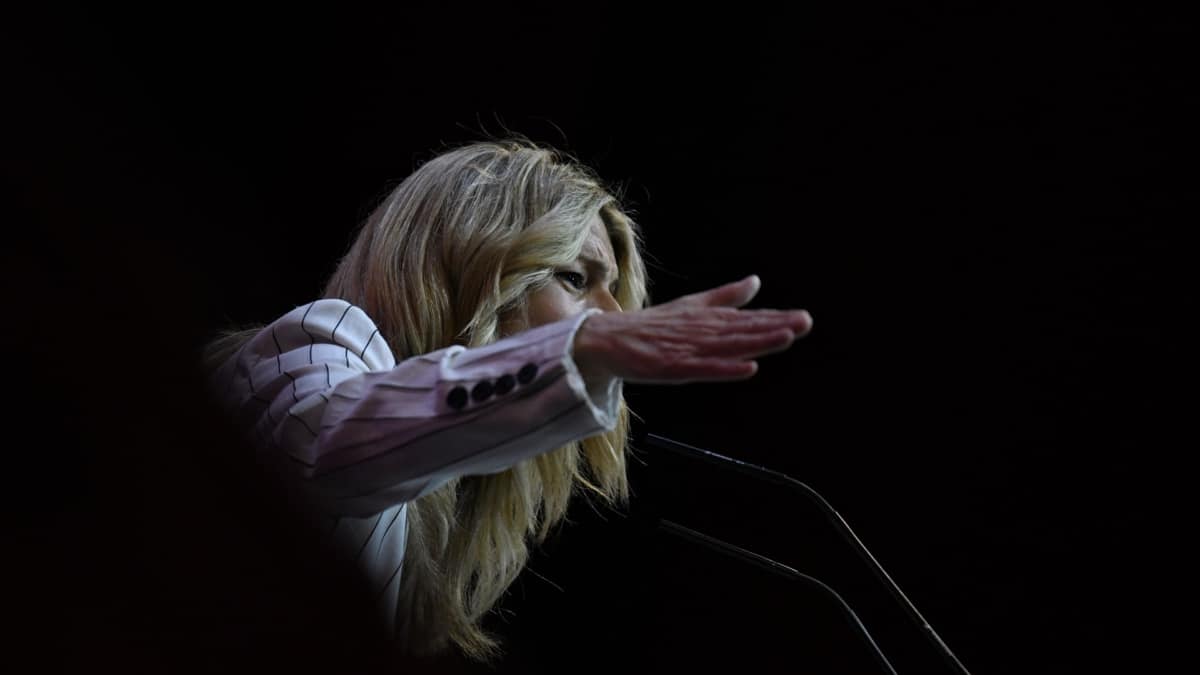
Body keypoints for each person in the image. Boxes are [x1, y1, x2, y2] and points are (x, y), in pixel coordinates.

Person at [202, 138, 813, 665]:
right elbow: (327, 441)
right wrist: (576, 351)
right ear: (470, 268)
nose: (612, 316)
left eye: (616, 296)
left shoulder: (437, 488)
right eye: (576, 279)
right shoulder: (320, 347)